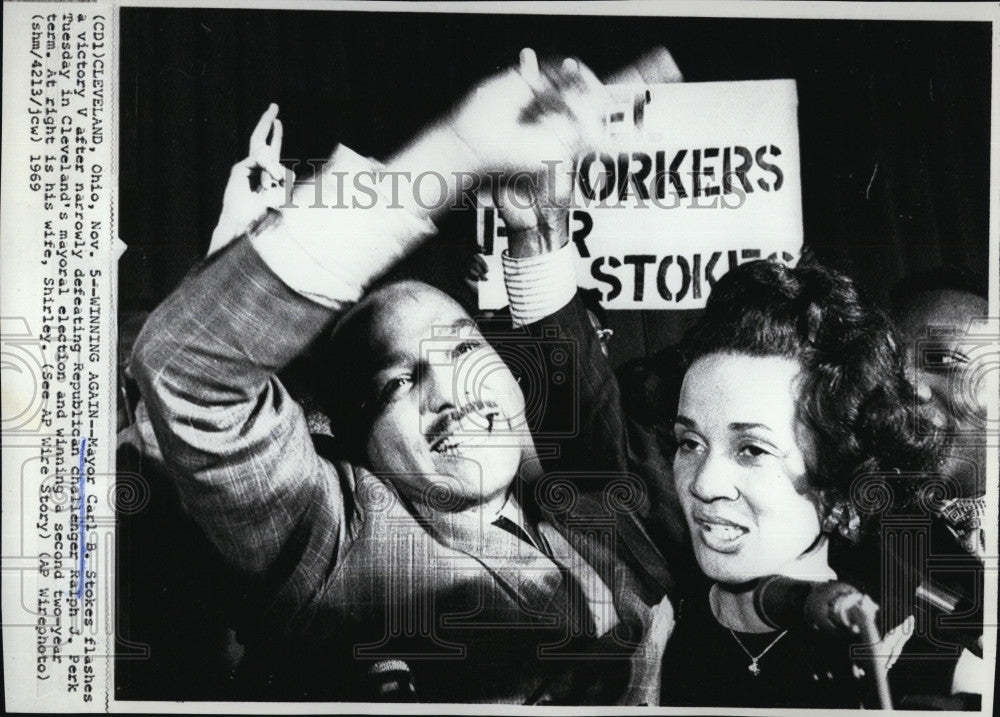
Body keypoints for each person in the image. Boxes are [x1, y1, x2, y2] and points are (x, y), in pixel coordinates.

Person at [129, 50, 674, 704]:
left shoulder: (580, 482)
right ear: (354, 437)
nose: (450, 393)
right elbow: (186, 372)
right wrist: (458, 151)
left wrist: (537, 226)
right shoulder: (335, 543)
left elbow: (575, 385)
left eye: (464, 348)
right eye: (396, 383)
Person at [658, 259, 985, 708]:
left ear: (837, 493)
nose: (704, 483)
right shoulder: (658, 616)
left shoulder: (913, 639)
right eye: (690, 442)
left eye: (753, 449)